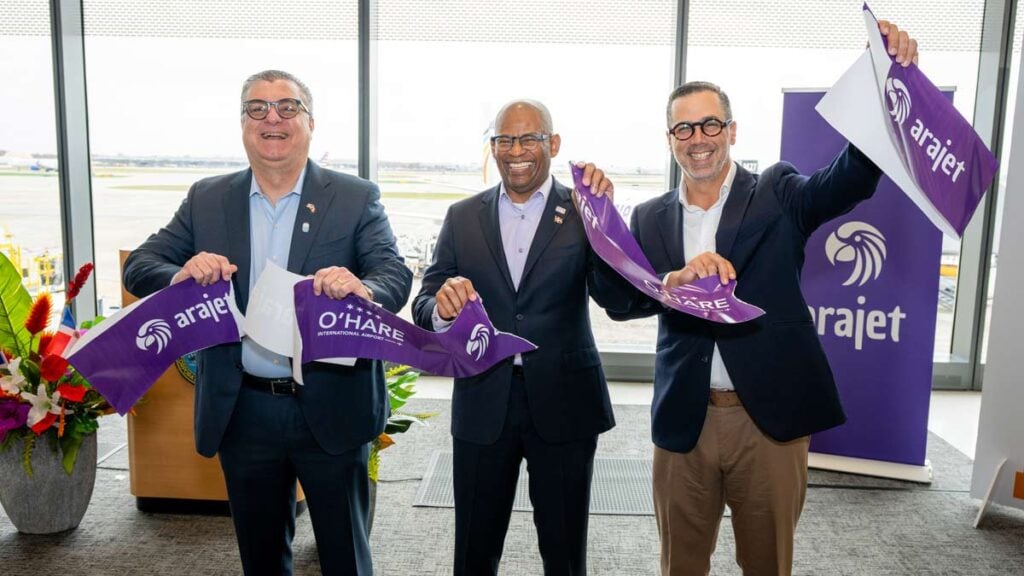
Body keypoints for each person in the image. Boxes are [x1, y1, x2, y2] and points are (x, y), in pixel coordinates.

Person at [599, 21, 920, 576]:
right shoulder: (650, 216)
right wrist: (666, 278)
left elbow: (850, 179)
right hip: (684, 421)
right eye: (683, 129)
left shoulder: (776, 191)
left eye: (709, 124)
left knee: (767, 564)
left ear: (732, 130)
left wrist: (879, 80)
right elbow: (622, 303)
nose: (698, 138)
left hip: (767, 421)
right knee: (680, 565)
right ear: (669, 138)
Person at [123, 70, 412, 576]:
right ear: (242, 124)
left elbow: (393, 272)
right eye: (257, 108)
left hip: (332, 405)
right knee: (260, 559)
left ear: (310, 122)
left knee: (345, 557)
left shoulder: (354, 196)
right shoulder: (207, 198)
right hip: (243, 409)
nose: (272, 118)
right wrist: (181, 274)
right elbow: (141, 265)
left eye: (287, 107)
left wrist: (362, 288)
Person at [411, 100, 630, 575]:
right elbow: (424, 303)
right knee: (473, 548)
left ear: (552, 144)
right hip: (483, 401)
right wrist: (443, 309)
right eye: (505, 140)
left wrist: (607, 224)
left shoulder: (582, 210)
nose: (516, 150)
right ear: (493, 148)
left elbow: (618, 300)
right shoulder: (462, 216)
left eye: (529, 138)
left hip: (565, 399)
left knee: (565, 550)